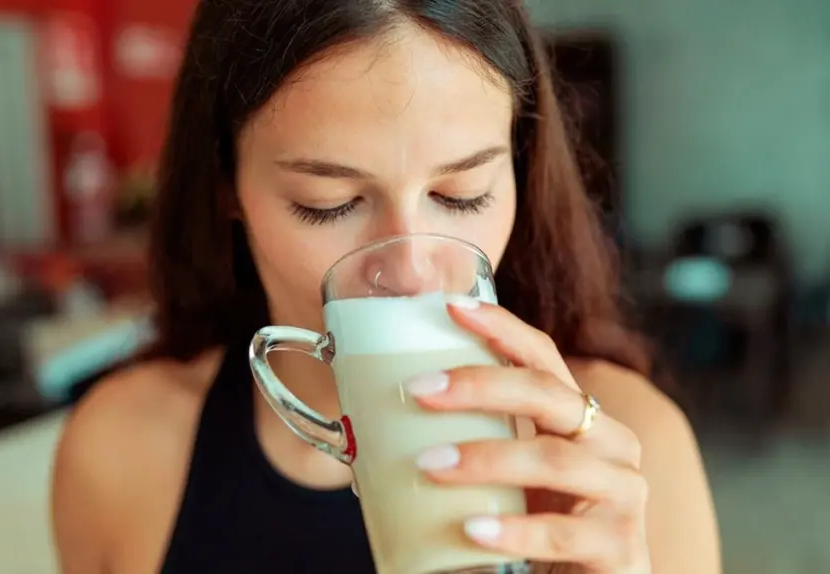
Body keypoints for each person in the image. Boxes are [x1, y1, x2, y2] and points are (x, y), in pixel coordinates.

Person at [51, 1, 721, 572]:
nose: (410, 272)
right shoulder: (121, 450)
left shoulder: (626, 462)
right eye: (328, 202)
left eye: (462, 195)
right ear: (227, 186)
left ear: (519, 170)